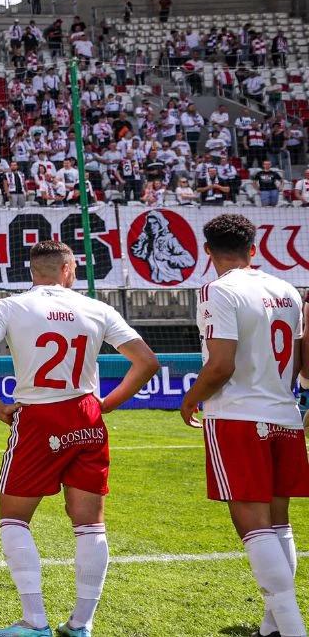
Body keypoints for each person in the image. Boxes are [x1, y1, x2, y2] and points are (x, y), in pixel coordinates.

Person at [0, 240, 159, 637]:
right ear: (69, 270)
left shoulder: (9, 306)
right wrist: (108, 403)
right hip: (85, 414)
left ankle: (35, 621)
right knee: (90, 525)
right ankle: (81, 624)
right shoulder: (96, 308)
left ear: (33, 271)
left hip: (38, 416)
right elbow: (147, 361)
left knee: (14, 517)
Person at [181, 214, 307, 637]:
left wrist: (191, 398)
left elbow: (220, 365)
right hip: (285, 414)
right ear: (253, 248)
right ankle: (274, 627)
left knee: (252, 525)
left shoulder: (217, 290)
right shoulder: (287, 289)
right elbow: (304, 362)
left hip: (237, 415)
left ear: (207, 251)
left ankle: (291, 629)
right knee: (279, 522)